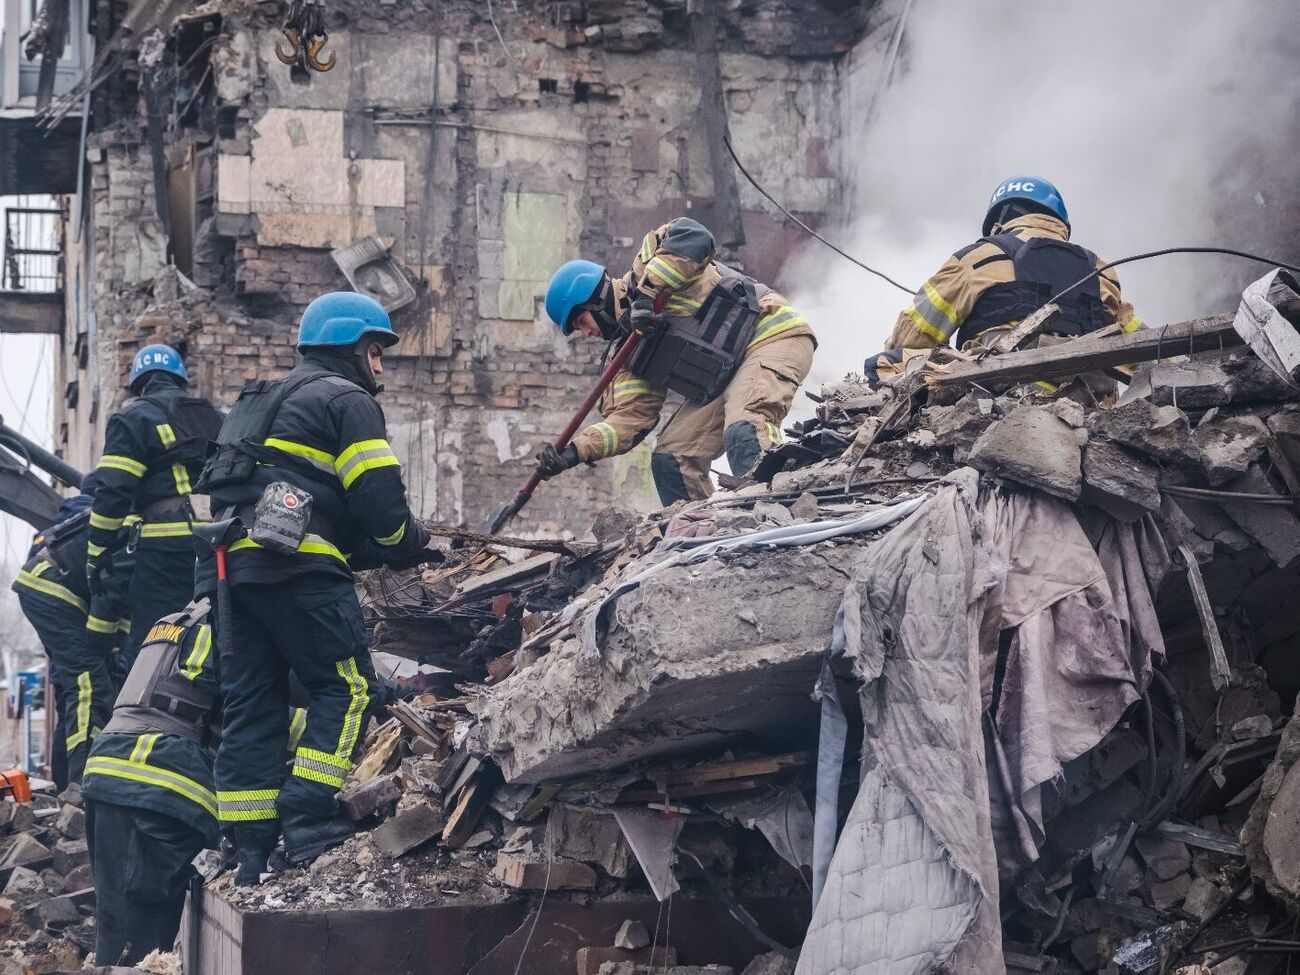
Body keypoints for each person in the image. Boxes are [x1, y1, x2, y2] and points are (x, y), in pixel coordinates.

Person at [197, 292, 433, 882]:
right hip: (298, 568)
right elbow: (379, 501)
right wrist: (409, 541)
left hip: (234, 572)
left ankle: (248, 850)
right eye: (375, 352)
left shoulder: (257, 401)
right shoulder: (344, 399)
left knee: (253, 701)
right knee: (349, 689)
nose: (379, 367)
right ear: (349, 348)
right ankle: (308, 819)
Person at [82, 598, 307, 964]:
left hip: (110, 774)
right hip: (159, 785)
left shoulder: (178, 619)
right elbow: (255, 714)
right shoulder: (229, 627)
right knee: (143, 942)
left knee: (118, 924)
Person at [540, 217, 816, 505]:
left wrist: (647, 296)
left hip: (771, 335)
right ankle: (711, 532)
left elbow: (693, 235)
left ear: (594, 297)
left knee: (745, 427)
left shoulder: (646, 269)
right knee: (671, 458)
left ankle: (778, 513)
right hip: (727, 376)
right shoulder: (629, 358)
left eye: (580, 320)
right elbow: (629, 421)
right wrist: (574, 452)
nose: (585, 333)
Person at [867, 175, 1142, 385]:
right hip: (1088, 405)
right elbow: (1141, 345)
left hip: (998, 398)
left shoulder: (983, 256)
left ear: (1002, 217)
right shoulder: (1101, 271)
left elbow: (914, 333)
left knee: (884, 363)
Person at [85, 345, 222, 669]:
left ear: (140, 384)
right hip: (219, 545)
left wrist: (97, 552)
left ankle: (153, 717)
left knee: (157, 642)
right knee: (215, 638)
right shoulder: (216, 417)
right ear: (180, 379)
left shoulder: (134, 418)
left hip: (165, 551)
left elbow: (113, 491)